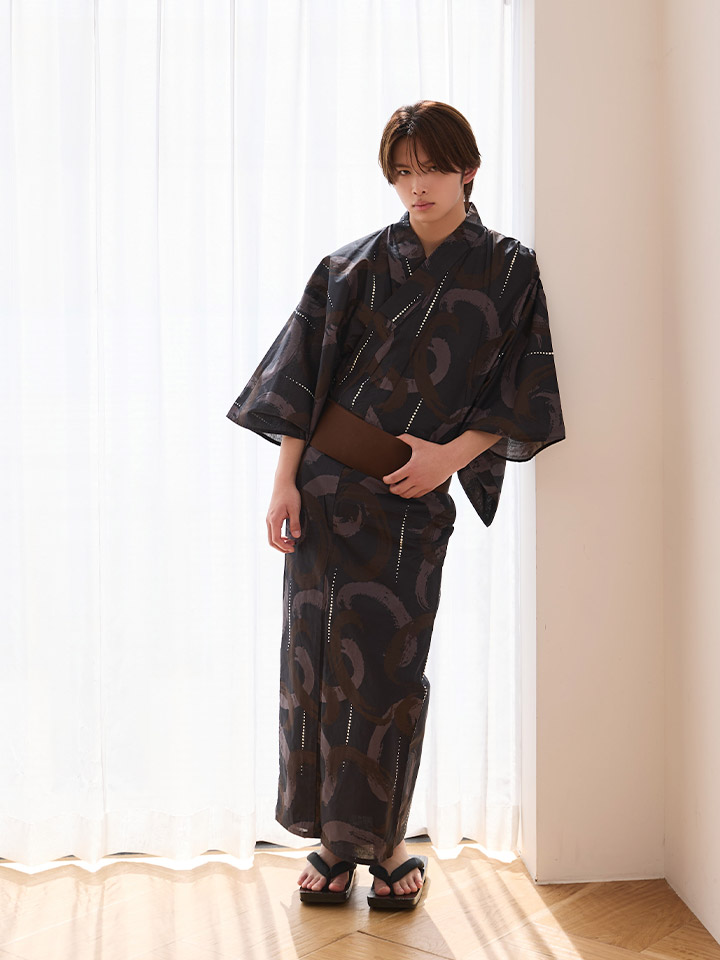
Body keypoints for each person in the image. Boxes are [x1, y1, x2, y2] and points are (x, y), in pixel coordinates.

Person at [226, 100, 565, 909]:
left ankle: (386, 843)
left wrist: (449, 458)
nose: (418, 186)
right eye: (403, 172)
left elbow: (524, 389)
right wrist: (282, 482)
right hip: (324, 494)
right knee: (315, 664)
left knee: (390, 676)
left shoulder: (510, 271)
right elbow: (301, 382)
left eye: (433, 169)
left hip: (412, 501)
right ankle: (333, 845)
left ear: (468, 169)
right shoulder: (349, 266)